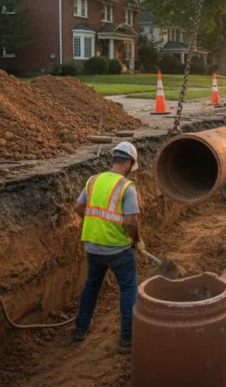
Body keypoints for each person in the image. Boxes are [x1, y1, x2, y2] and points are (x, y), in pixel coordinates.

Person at [73, 141, 143, 352]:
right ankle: (126, 339)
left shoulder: (93, 180)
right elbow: (130, 222)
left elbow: (78, 207)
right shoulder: (126, 187)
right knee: (129, 289)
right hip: (117, 249)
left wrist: (96, 223)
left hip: (93, 248)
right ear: (129, 163)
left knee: (91, 287)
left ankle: (80, 330)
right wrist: (137, 241)